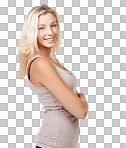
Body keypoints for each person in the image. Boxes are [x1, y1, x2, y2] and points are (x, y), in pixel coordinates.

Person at [18, 4, 88, 148]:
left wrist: (75, 100)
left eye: (53, 25)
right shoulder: (40, 64)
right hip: (52, 144)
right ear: (32, 32)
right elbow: (80, 111)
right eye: (41, 28)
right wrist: (83, 99)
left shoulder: (52, 60)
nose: (50, 32)